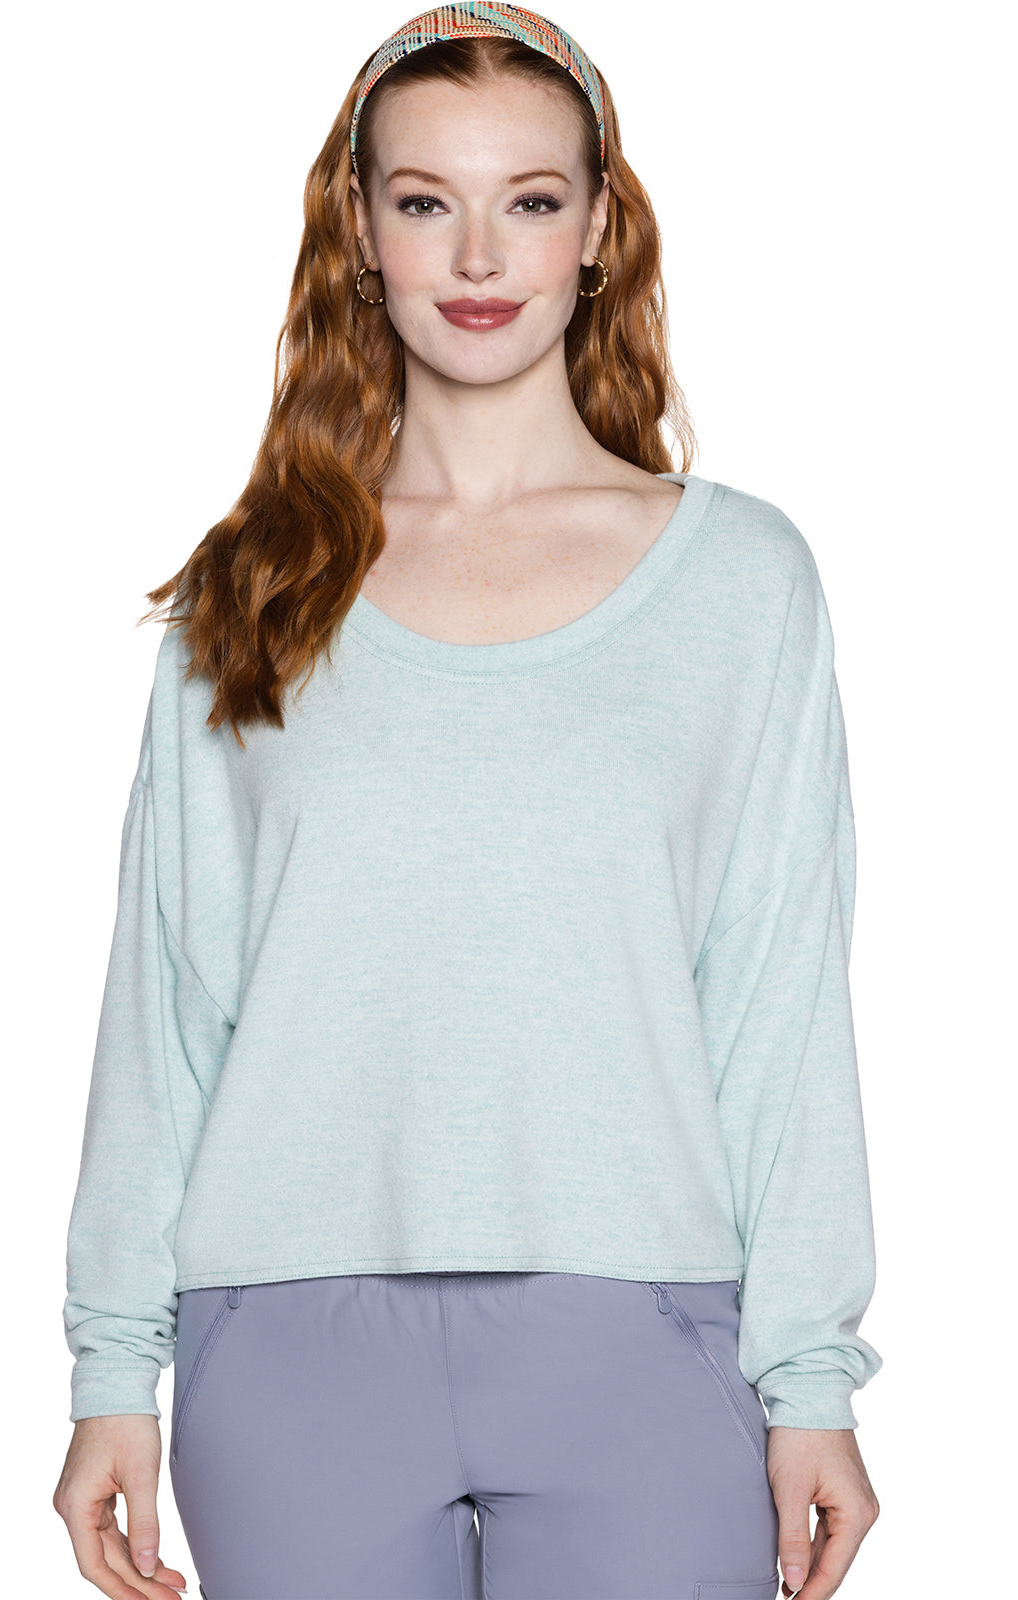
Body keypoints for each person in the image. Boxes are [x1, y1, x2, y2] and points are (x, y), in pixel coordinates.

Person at [51, 6, 883, 1598]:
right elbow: (166, 1005)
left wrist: (811, 1383)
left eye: (533, 199)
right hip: (287, 1344)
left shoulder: (740, 581)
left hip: (644, 1338)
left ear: (599, 228)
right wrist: (110, 1370)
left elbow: (778, 1003)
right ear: (361, 231)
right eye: (427, 200)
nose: (481, 254)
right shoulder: (257, 582)